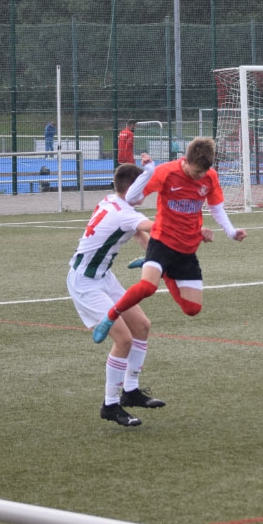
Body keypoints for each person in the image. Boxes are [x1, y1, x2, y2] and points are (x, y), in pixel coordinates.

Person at [91, 136, 247, 344]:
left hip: (187, 248)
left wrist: (231, 232)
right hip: (162, 242)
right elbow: (131, 198)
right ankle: (110, 316)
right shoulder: (166, 172)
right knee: (147, 287)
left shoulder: (210, 176)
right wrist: (148, 172)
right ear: (186, 161)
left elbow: (216, 208)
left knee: (192, 309)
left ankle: (164, 272)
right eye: (197, 172)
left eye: (204, 172)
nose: (200, 177)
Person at [68, 160, 177, 427]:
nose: (145, 193)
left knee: (141, 326)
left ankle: (131, 391)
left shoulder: (112, 201)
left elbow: (140, 235)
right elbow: (158, 229)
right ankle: (110, 405)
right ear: (132, 189)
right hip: (85, 283)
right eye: (143, 188)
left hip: (103, 277)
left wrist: (155, 258)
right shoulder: (124, 214)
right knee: (124, 339)